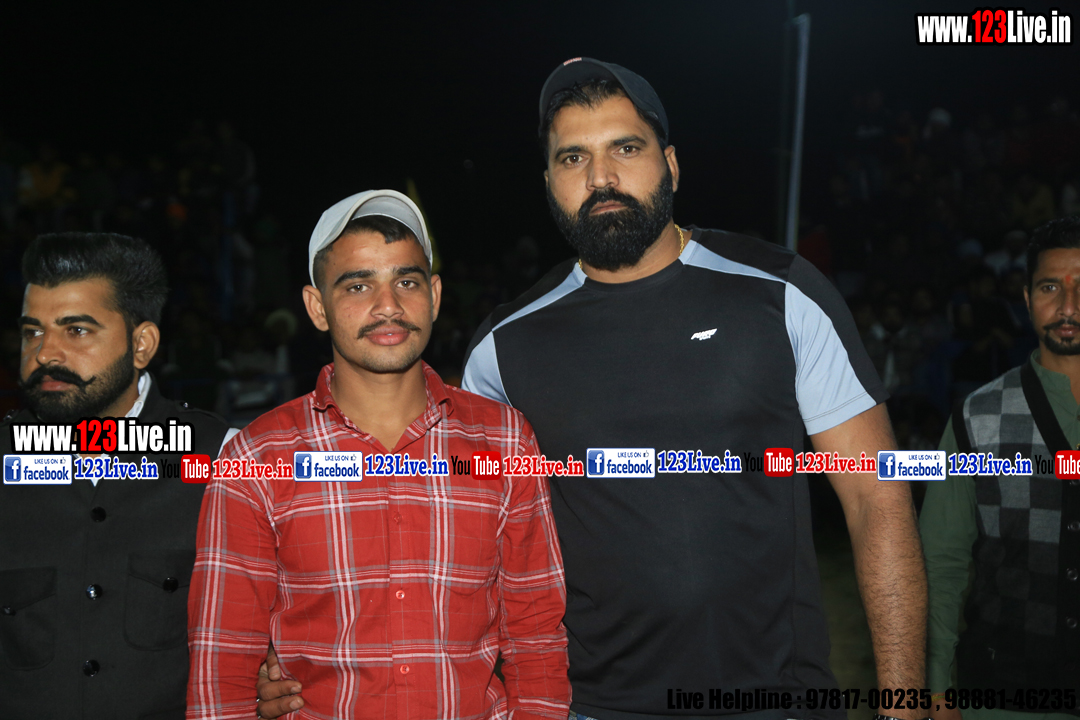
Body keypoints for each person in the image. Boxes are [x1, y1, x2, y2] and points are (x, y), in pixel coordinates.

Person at [462, 58, 927, 720]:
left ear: (672, 165)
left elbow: (876, 497)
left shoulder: (782, 292)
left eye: (626, 148)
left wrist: (904, 706)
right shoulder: (501, 349)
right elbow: (473, 548)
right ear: (548, 182)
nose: (601, 177)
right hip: (590, 706)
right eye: (573, 157)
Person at [187, 190, 570, 720]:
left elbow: (536, 636)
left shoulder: (505, 441)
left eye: (406, 282)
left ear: (434, 295)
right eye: (358, 285)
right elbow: (223, 661)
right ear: (317, 307)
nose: (388, 305)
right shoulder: (257, 456)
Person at [0, 232, 236, 720]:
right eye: (32, 332)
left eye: (76, 330)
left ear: (141, 344)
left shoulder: (224, 460)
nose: (45, 354)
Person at [921, 215, 1080, 719]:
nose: (1068, 306)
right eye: (1051, 287)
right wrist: (935, 685)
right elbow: (941, 560)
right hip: (1004, 693)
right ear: (1028, 299)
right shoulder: (977, 417)